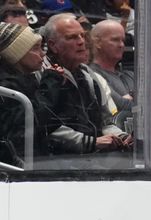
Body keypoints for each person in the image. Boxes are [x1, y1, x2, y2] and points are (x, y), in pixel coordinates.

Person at [37, 13, 132, 161]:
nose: (81, 41)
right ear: (52, 45)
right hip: (56, 163)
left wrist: (120, 136)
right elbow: (46, 128)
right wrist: (92, 143)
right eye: (72, 37)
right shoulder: (42, 76)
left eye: (82, 36)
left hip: (91, 157)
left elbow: (104, 121)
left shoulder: (88, 75)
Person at [0, 21, 48, 167]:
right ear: (15, 54)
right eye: (35, 48)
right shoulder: (8, 90)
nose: (43, 53)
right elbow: (38, 120)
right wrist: (51, 84)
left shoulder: (28, 80)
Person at [89, 19, 134, 112]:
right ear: (97, 43)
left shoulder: (130, 75)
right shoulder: (92, 75)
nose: (121, 45)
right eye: (115, 40)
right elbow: (120, 106)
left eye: (123, 40)